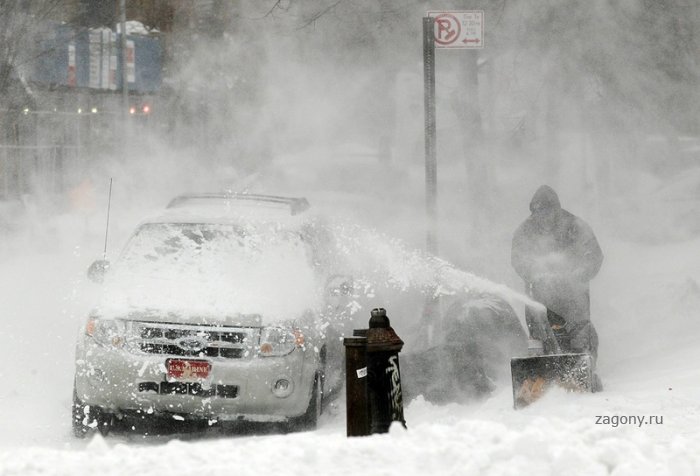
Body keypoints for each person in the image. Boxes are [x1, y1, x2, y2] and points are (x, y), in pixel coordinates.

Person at [511, 185, 604, 365]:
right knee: (539, 332)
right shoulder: (524, 231)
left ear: (556, 209)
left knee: (579, 331)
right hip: (538, 293)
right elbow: (518, 259)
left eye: (547, 212)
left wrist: (578, 275)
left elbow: (593, 255)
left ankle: (584, 364)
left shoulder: (575, 226)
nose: (543, 218)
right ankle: (541, 366)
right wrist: (535, 273)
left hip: (573, 294)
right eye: (538, 213)